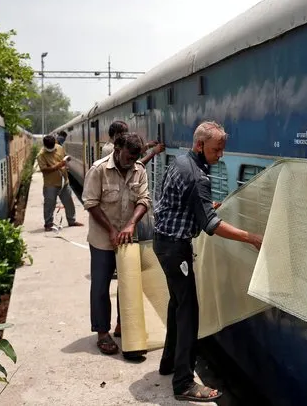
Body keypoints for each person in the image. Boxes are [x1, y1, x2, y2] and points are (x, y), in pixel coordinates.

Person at [153, 121, 263, 402]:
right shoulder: (196, 176)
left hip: (163, 243)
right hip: (176, 250)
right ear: (199, 145)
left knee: (177, 304)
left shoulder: (180, 162)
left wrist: (202, 206)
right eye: (216, 150)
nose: (220, 155)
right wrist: (251, 237)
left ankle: (168, 362)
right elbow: (211, 226)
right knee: (188, 313)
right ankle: (183, 384)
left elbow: (181, 202)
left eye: (223, 150)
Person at [82, 132, 152, 355]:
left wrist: (131, 224)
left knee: (128, 283)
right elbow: (91, 203)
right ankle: (103, 333)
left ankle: (124, 325)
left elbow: (144, 200)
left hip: (128, 239)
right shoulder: (99, 169)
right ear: (118, 149)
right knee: (101, 286)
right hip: (103, 240)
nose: (132, 162)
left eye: (136, 157)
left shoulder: (139, 169)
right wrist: (112, 230)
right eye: (129, 157)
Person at [36, 135, 84, 231]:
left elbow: (63, 158)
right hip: (50, 184)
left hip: (63, 181)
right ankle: (48, 224)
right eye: (48, 148)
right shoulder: (41, 155)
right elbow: (44, 169)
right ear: (44, 146)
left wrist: (65, 163)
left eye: (52, 147)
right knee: (49, 204)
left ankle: (72, 220)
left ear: (55, 143)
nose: (51, 149)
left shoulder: (59, 148)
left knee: (69, 202)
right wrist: (59, 165)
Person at [101, 120, 166, 163]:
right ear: (117, 135)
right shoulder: (112, 149)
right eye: (125, 134)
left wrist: (147, 146)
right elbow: (133, 167)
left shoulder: (109, 147)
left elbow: (131, 156)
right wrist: (153, 152)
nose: (126, 137)